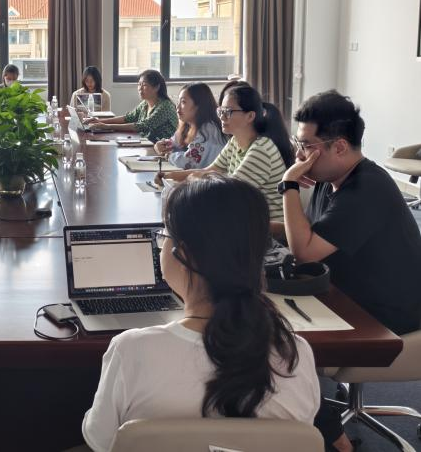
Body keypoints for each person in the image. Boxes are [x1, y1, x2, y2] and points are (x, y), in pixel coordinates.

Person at [82, 175, 319, 452]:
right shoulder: (295, 354)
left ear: (182, 254)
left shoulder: (131, 350)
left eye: (163, 237)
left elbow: (102, 441)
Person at [281, 91, 421, 452]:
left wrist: (289, 185)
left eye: (306, 145)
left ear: (339, 146)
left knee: (280, 342)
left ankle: (333, 438)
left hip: (389, 317)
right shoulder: (333, 180)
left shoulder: (366, 188)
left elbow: (305, 250)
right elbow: (308, 234)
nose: (300, 154)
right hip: (352, 297)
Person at [158, 85, 293, 222]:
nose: (222, 117)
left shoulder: (261, 150)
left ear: (250, 116)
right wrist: (168, 176)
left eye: (228, 112)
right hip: (247, 220)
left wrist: (189, 181)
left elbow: (229, 194)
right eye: (221, 111)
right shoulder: (235, 142)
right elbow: (208, 171)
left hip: (267, 229)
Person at [85, 69, 176, 142]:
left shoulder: (165, 106)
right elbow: (128, 118)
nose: (140, 88)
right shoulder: (145, 104)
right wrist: (99, 121)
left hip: (163, 150)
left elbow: (142, 126)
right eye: (139, 84)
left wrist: (107, 126)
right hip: (146, 144)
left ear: (156, 87)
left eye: (144, 85)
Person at [153, 82, 225, 170]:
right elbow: (173, 143)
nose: (177, 107)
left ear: (199, 105)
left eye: (183, 102)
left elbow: (188, 162)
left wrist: (168, 155)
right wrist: (161, 146)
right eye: (178, 102)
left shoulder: (208, 129)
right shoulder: (188, 125)